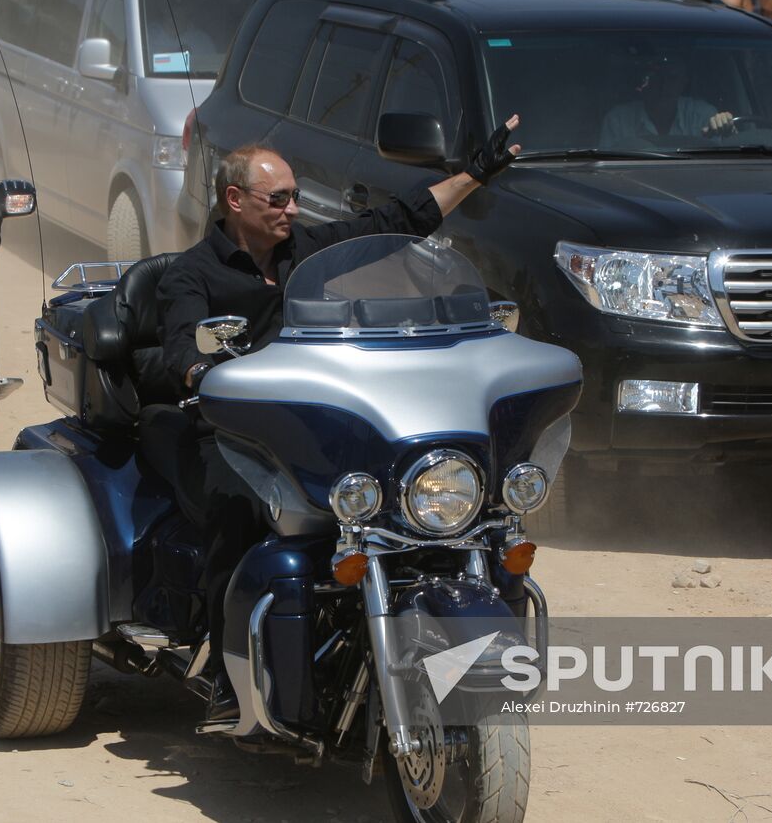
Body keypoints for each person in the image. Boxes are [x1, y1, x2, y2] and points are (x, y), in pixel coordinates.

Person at [152, 117, 522, 722]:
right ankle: (226, 671)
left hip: (308, 428)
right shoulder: (192, 273)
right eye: (279, 199)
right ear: (235, 200)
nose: (293, 209)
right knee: (241, 510)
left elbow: (396, 223)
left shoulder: (307, 255)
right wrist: (203, 371)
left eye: (296, 197)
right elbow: (177, 351)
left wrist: (476, 173)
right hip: (229, 431)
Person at [599, 53, 735, 146]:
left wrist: (729, 131)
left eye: (672, 77)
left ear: (683, 82)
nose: (664, 86)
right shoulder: (618, 120)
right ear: (643, 82)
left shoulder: (703, 116)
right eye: (657, 77)